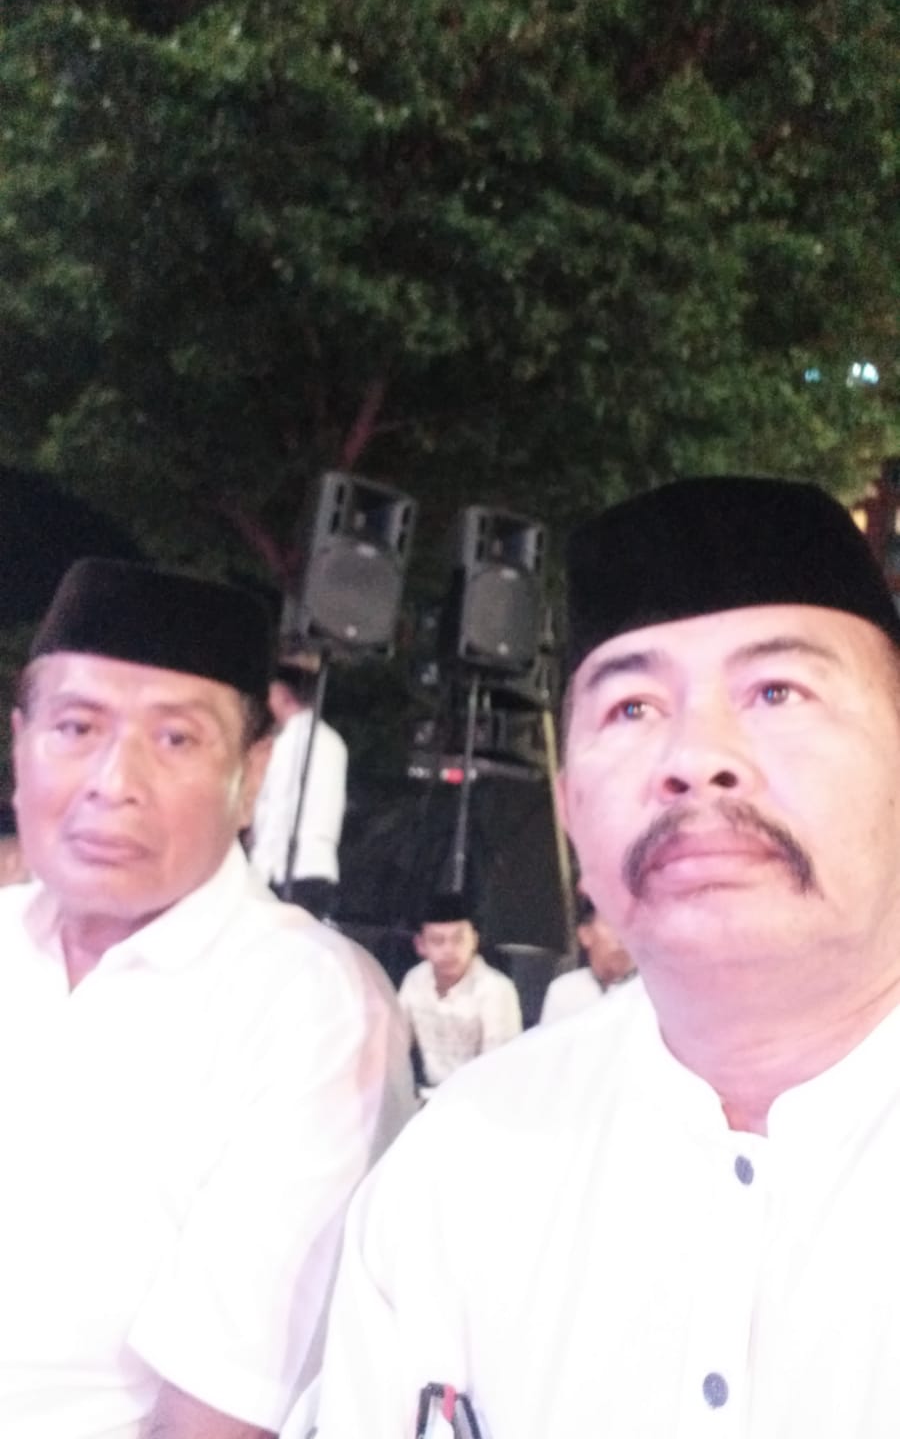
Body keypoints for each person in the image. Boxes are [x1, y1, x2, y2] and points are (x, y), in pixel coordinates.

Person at [310, 476, 900, 1439]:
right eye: (630, 708)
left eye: (776, 691)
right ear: (570, 808)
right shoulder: (459, 1165)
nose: (696, 755)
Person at [0, 557, 414, 1439]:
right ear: (19, 745)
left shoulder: (312, 1007)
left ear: (253, 775)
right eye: (76, 727)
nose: (114, 781)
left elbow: (220, 1416)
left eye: (176, 740)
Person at [248, 658, 348, 917]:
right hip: (321, 867)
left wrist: (258, 871)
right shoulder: (334, 742)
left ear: (282, 695)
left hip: (286, 869)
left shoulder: (284, 744)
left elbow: (275, 809)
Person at [397, 893, 523, 1094]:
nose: (449, 950)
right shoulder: (415, 980)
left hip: (478, 1097)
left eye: (458, 939)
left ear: (474, 940)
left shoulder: (496, 989)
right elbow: (395, 1043)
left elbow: (500, 1068)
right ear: (420, 945)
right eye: (438, 941)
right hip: (429, 1094)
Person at [539, 894, 641, 1024]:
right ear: (585, 934)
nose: (621, 935)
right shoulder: (564, 991)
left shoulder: (656, 990)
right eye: (611, 923)